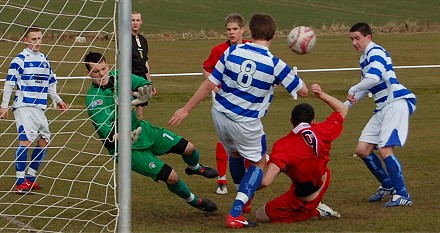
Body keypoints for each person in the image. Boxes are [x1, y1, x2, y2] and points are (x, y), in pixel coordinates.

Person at [169, 13, 308, 228]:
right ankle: (236, 212)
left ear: (249, 32)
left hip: (220, 113)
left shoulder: (232, 51)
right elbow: (303, 91)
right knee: (259, 164)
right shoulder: (275, 64)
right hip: (245, 122)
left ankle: (244, 201)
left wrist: (186, 109)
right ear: (273, 34)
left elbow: (209, 84)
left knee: (234, 153)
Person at [84, 51, 218, 213]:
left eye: (104, 69)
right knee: (172, 176)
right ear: (88, 73)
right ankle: (196, 201)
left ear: (108, 65)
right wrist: (124, 137)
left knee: (189, 148)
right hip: (126, 147)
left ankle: (195, 168)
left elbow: (143, 84)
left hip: (143, 130)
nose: (102, 74)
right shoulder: (94, 99)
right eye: (96, 72)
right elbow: (108, 131)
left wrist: (145, 91)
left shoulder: (119, 76)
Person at [345, 22, 415, 207]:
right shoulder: (364, 59)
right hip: (382, 107)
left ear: (369, 37)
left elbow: (373, 78)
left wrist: (352, 88)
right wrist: (344, 108)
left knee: (384, 149)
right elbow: (365, 86)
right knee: (362, 150)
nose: (354, 42)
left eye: (357, 38)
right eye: (351, 39)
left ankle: (403, 195)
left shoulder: (375, 51)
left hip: (395, 102)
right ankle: (387, 184)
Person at [255, 84, 347, 223]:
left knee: (261, 215)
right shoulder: (322, 129)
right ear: (313, 121)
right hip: (323, 178)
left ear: (291, 121)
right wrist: (321, 95)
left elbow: (266, 181)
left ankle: (315, 210)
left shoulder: (283, 144)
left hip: (307, 194)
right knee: (287, 164)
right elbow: (343, 108)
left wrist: (246, 190)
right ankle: (314, 204)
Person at [0, 26, 68, 194]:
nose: (37, 42)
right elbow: (9, 83)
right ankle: (20, 182)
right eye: (34, 39)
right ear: (26, 40)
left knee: (44, 142)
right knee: (26, 142)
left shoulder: (44, 59)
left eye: (39, 39)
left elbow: (50, 84)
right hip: (24, 107)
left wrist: (58, 100)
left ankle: (30, 179)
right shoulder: (19, 59)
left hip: (39, 108)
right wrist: (4, 105)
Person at [202, 13, 251, 195]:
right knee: (224, 138)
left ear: (242, 29)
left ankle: (246, 173)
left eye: (235, 29)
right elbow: (206, 69)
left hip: (245, 100)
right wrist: (215, 87)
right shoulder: (218, 50)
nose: (231, 32)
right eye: (228, 30)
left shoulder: (250, 48)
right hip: (223, 99)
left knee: (244, 138)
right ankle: (222, 179)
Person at [131, 11, 156, 120]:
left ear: (141, 22)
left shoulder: (143, 40)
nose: (135, 23)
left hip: (142, 77)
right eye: (132, 20)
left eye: (137, 20)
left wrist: (149, 82)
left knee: (141, 105)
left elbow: (145, 61)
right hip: (130, 76)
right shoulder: (124, 38)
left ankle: (139, 131)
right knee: (129, 105)